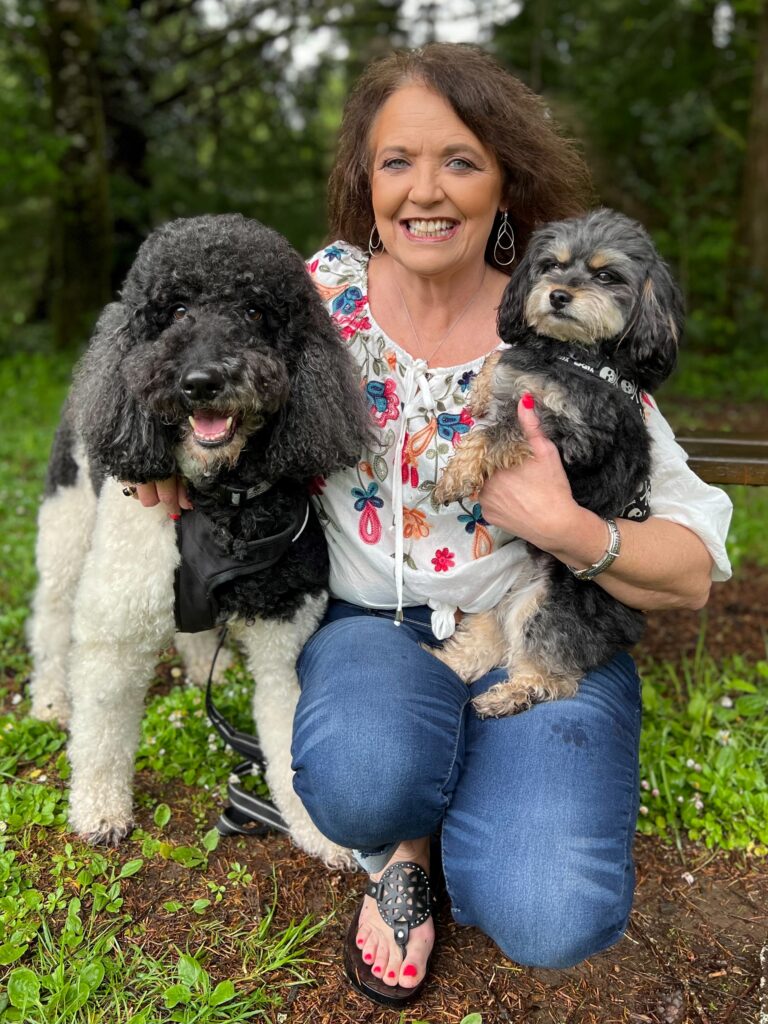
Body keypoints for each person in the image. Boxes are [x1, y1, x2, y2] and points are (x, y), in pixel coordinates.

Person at [136, 44, 733, 1008]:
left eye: (460, 160)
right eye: (396, 161)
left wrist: (573, 529)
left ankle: (482, 783)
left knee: (550, 912)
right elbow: (189, 363)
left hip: (535, 629)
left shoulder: (557, 321)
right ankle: (405, 839)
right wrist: (158, 456)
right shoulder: (311, 297)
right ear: (363, 181)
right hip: (371, 625)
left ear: (507, 181)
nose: (426, 190)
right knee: (367, 776)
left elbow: (693, 563)